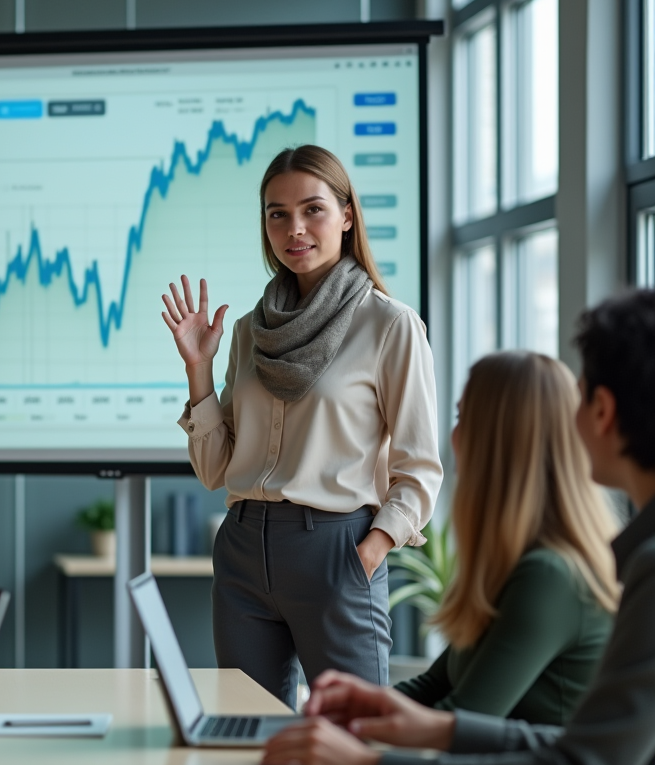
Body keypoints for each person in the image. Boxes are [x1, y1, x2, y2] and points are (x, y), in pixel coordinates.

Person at [261, 288, 655, 765]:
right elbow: (516, 724)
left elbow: (577, 755)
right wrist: (367, 712)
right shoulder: (532, 560)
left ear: (603, 410)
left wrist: (366, 757)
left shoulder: (557, 574)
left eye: (461, 417)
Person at [161, 145, 443, 706]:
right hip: (243, 547)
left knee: (349, 734)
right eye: (277, 213)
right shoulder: (247, 330)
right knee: (247, 732)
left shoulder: (389, 325)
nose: (295, 228)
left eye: (312, 209)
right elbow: (217, 469)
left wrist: (368, 553)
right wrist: (200, 371)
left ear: (346, 215)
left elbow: (419, 469)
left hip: (336, 549)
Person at [394, 351, 618, 725]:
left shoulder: (549, 576)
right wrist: (346, 710)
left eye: (462, 418)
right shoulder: (512, 558)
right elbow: (435, 685)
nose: (453, 436)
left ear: (495, 441)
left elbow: (460, 724)